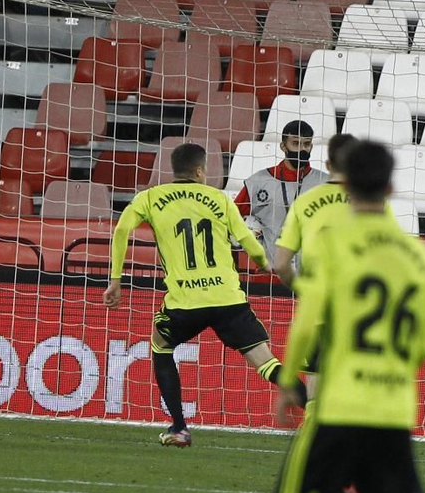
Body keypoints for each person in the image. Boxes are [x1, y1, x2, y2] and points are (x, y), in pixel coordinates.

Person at [217, 139, 425, 493]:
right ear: (389, 188)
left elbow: (308, 321)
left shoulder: (335, 244)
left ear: (338, 180)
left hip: (338, 404)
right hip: (390, 410)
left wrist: (289, 382)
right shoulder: (415, 254)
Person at [104, 142, 284, 448]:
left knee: (161, 347)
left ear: (174, 169)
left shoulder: (150, 197)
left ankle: (179, 427)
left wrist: (115, 280)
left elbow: (121, 231)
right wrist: (263, 262)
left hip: (185, 302)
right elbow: (244, 238)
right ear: (200, 170)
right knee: (266, 362)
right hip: (227, 299)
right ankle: (314, 408)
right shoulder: (219, 198)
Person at [272, 132, 355, 289]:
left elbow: (281, 264)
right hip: (355, 294)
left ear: (329, 165)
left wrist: (302, 289)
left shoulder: (303, 202)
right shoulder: (373, 203)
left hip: (316, 294)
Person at [236, 119, 328, 251]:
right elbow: (232, 217)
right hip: (270, 268)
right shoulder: (258, 182)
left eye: (306, 144)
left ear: (311, 146)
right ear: (283, 146)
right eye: (296, 143)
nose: (302, 149)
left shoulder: (324, 183)